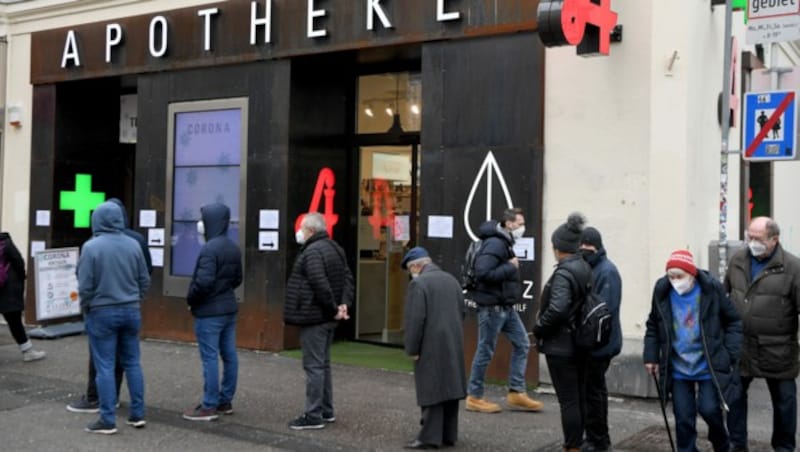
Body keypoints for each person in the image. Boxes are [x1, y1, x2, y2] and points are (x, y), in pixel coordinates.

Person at [644, 250, 742, 452]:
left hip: (708, 364)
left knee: (710, 409)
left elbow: (733, 321)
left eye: (679, 276)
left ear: (692, 274)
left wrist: (730, 353)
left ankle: (722, 443)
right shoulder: (662, 290)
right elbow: (653, 324)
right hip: (678, 366)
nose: (675, 281)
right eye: (671, 276)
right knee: (683, 417)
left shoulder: (711, 289)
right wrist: (651, 356)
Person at [67, 198, 152, 413]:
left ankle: (106, 416)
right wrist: (135, 298)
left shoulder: (91, 246)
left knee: (103, 365)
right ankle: (138, 414)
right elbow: (145, 278)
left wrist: (86, 307)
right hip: (131, 310)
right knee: (132, 363)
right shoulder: (134, 244)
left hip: (102, 311)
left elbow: (85, 285)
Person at [725, 217, 800, 452]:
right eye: (750, 237)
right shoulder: (737, 259)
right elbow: (726, 295)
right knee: (734, 398)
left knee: (784, 403)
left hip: (778, 348)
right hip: (741, 345)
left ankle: (784, 447)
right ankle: (737, 445)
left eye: (757, 239)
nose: (752, 242)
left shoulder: (793, 268)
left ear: (774, 239)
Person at [466, 207, 543, 413]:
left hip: (505, 307)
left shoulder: (504, 242)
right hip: (492, 307)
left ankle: (516, 392)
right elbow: (483, 272)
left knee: (522, 343)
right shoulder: (496, 243)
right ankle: (474, 396)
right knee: (485, 350)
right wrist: (510, 267)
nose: (522, 228)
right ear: (509, 224)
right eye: (519, 224)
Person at [284, 212, 353, 430]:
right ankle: (326, 410)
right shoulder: (335, 248)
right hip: (327, 317)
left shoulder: (312, 252)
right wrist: (343, 305)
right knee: (323, 365)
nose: (299, 232)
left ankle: (313, 415)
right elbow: (347, 278)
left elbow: (319, 283)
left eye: (302, 228)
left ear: (311, 231)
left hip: (315, 317)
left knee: (314, 366)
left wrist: (333, 308)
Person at [533, 213, 591, 452]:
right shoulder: (584, 266)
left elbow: (557, 309)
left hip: (561, 345)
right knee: (578, 397)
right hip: (579, 341)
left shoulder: (564, 273)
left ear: (559, 248)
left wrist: (539, 328)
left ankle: (572, 446)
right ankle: (578, 442)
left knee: (568, 400)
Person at [401, 247, 467, 449]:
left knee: (431, 388)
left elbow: (415, 320)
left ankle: (429, 437)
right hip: (453, 341)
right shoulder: (451, 280)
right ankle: (448, 435)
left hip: (430, 343)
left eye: (410, 269)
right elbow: (462, 312)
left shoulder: (419, 284)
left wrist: (412, 348)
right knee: (449, 387)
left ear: (415, 266)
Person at [182, 203, 243, 422]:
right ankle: (225, 401)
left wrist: (192, 300)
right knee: (229, 355)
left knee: (209, 358)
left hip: (209, 312)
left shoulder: (209, 249)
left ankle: (209, 405)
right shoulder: (232, 247)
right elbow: (237, 279)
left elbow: (203, 282)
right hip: (228, 308)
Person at [578, 227, 622, 452]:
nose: (585, 252)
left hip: (599, 345)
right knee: (594, 391)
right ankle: (596, 438)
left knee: (593, 393)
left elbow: (603, 312)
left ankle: (598, 440)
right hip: (595, 343)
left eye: (588, 248)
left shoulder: (606, 272)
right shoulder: (595, 268)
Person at [0, 232, 46, 362]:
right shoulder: (5, 242)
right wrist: (21, 276)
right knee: (15, 321)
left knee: (14, 321)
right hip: (8, 289)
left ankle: (27, 350)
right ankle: (27, 351)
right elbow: (18, 261)